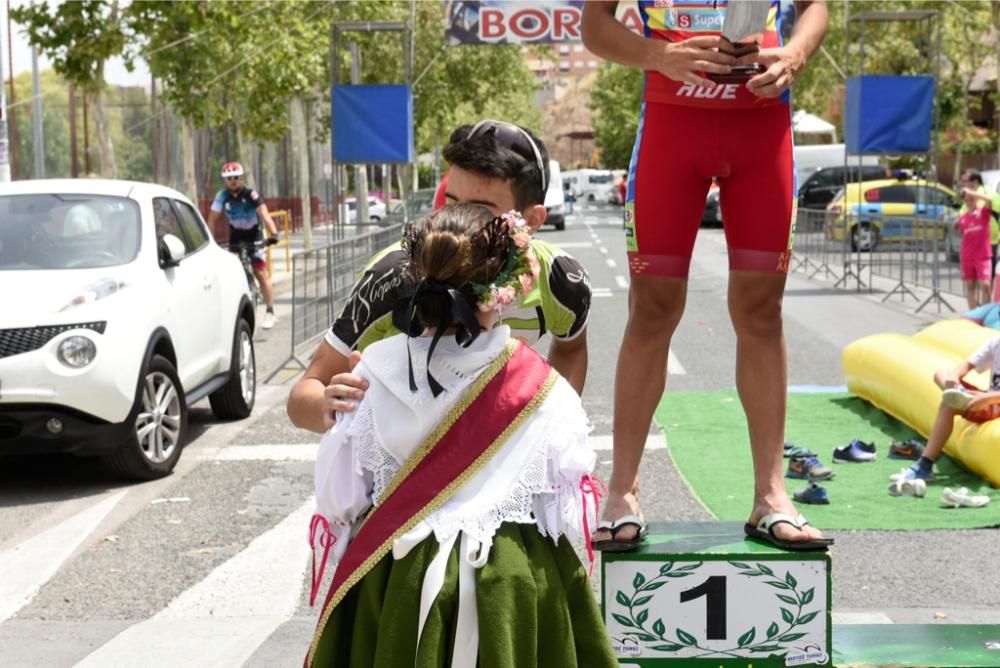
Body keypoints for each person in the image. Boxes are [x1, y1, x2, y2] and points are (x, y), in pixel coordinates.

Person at [304, 203, 617, 668]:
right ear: (503, 292)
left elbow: (341, 498)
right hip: (508, 584)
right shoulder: (541, 384)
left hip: (398, 580)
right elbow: (562, 509)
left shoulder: (370, 373)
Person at [582, 0, 832, 551]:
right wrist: (657, 54)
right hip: (673, 125)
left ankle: (771, 496)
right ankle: (623, 493)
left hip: (762, 128)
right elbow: (594, 24)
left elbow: (815, 6)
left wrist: (794, 53)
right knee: (652, 310)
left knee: (761, 313)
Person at [287, 120, 591, 433]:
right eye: (451, 202)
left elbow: (571, 349)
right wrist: (328, 404)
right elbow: (303, 394)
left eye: (480, 209)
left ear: (531, 220)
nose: (457, 220)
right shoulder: (395, 272)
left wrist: (558, 425)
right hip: (404, 466)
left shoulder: (562, 280)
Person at [892, 332, 1000, 486]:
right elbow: (966, 365)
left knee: (948, 405)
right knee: (941, 373)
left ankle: (925, 464)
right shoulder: (996, 341)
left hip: (994, 402)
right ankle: (958, 395)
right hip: (989, 399)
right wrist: (954, 378)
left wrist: (988, 399)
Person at [206, 161, 280, 329]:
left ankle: (270, 311)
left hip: (255, 236)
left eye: (236, 177)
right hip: (236, 238)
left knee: (261, 273)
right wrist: (209, 239)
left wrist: (274, 233)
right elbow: (212, 219)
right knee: (232, 273)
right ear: (224, 181)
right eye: (229, 178)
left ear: (242, 178)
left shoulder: (251, 194)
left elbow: (264, 214)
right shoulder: (222, 196)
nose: (233, 181)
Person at [958, 169, 1000, 295]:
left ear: (975, 181)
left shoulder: (981, 193)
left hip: (987, 242)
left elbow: (971, 211)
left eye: (965, 181)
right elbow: (963, 213)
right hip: (985, 242)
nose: (963, 184)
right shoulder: (979, 193)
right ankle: (982, 308)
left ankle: (984, 309)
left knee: (984, 282)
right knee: (983, 281)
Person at [956, 187, 995, 309]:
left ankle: (984, 313)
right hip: (967, 257)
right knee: (970, 286)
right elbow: (962, 233)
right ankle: (973, 315)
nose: (969, 201)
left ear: (977, 199)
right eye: (967, 200)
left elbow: (989, 200)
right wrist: (955, 224)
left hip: (982, 256)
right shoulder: (963, 218)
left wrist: (973, 193)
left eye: (972, 199)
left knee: (985, 285)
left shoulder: (983, 212)